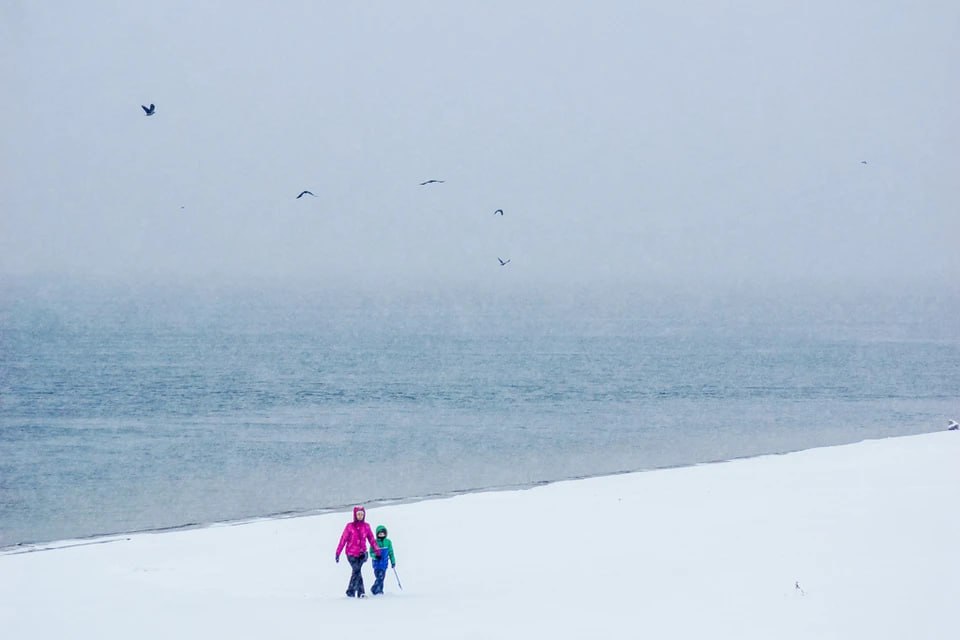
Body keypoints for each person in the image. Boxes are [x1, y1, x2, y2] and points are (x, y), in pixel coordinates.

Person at [335, 505, 380, 598]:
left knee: (357, 571)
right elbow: (343, 539)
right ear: (355, 515)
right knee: (357, 570)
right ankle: (359, 592)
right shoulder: (349, 526)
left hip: (362, 554)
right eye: (358, 514)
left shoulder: (366, 526)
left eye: (361, 514)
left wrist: (377, 551)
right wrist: (338, 552)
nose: (360, 516)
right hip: (351, 554)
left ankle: (351, 591)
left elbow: (371, 539)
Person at [369, 524, 396, 595]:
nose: (381, 535)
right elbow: (371, 552)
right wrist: (375, 556)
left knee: (382, 577)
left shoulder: (388, 542)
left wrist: (393, 562)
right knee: (380, 577)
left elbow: (391, 553)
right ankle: (375, 589)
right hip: (376, 564)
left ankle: (379, 590)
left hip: (384, 564)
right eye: (380, 534)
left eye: (383, 533)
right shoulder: (374, 542)